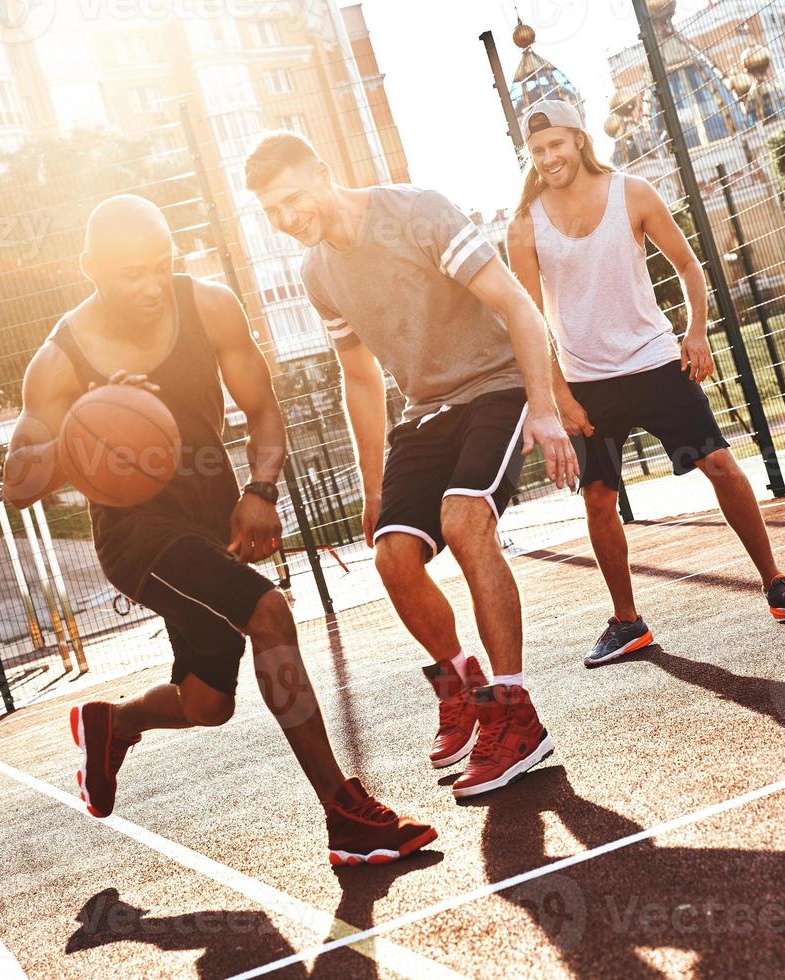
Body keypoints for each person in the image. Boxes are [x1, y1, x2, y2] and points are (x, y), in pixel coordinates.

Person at [2, 194, 435, 866]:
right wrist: (84, 432)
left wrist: (261, 489)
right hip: (137, 538)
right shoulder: (59, 360)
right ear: (89, 267)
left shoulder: (208, 306)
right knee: (270, 611)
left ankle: (114, 723)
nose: (150, 286)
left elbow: (263, 408)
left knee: (207, 703)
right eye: (129, 273)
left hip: (211, 520)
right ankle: (344, 815)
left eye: (160, 265)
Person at [245, 133, 580, 799]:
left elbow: (516, 304)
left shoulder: (417, 211)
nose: (287, 219)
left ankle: (516, 717)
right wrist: (374, 488)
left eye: (292, 199)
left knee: (464, 523)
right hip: (427, 408)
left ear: (321, 171)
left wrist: (544, 405)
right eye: (272, 213)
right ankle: (463, 684)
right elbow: (361, 381)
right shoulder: (318, 274)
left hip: (495, 384)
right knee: (393, 557)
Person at [505, 99, 785, 669]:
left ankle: (778, 586)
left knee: (720, 466)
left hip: (656, 364)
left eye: (557, 143)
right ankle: (627, 623)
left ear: (579, 140)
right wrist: (558, 394)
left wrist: (696, 331)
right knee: (600, 500)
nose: (549, 157)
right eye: (537, 150)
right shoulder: (524, 224)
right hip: (589, 384)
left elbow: (689, 266)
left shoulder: (632, 193)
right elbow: (527, 319)